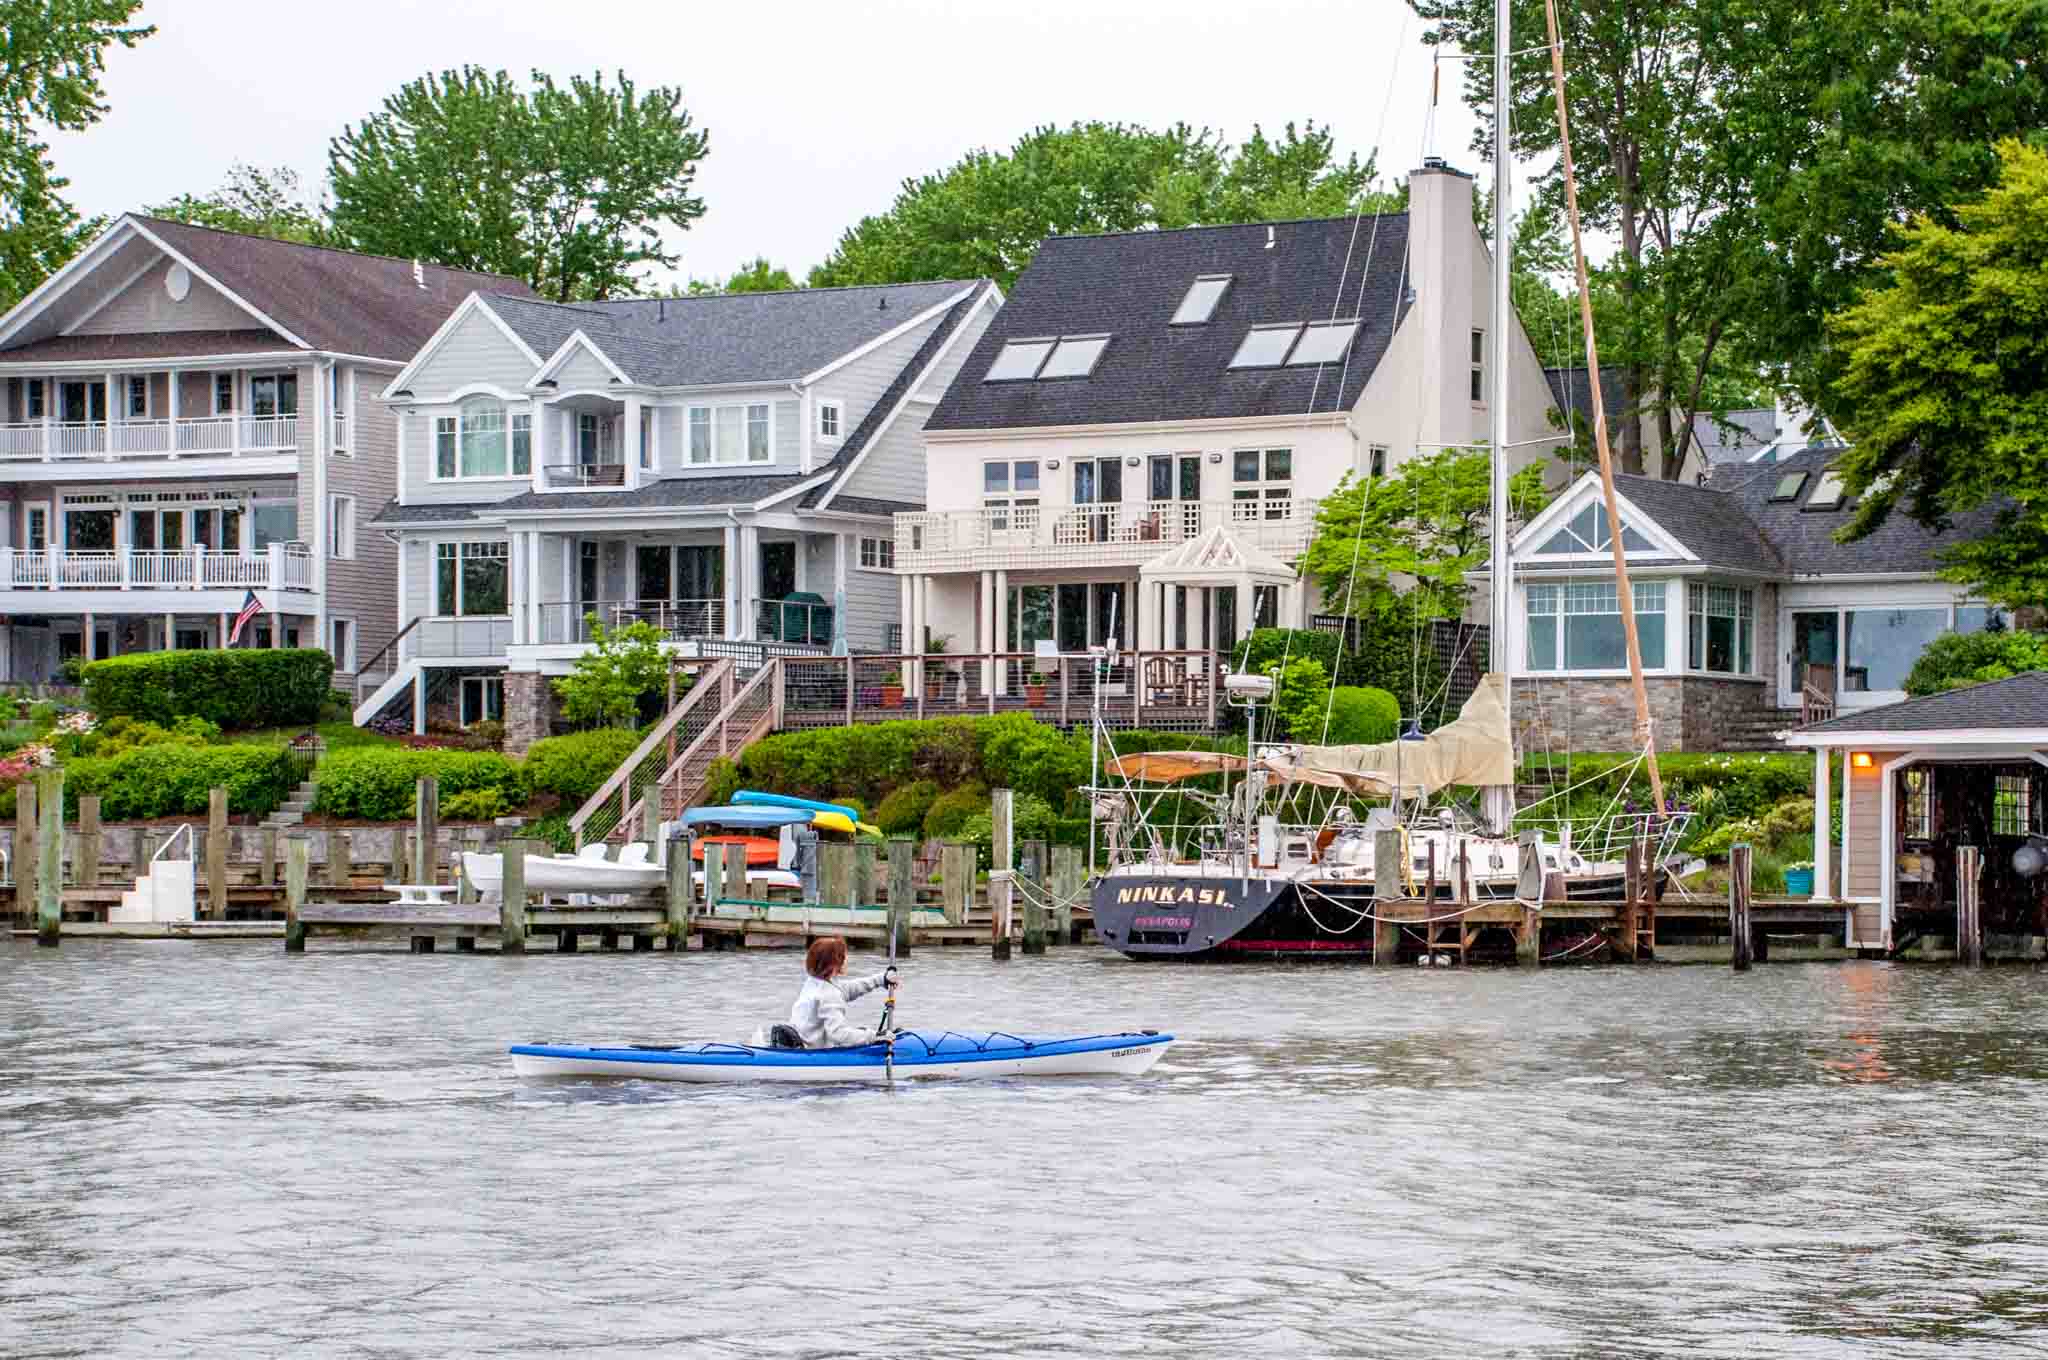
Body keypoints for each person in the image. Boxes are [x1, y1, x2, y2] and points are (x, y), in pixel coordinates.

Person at [789, 937, 897, 1048]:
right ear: (834, 963)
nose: (846, 960)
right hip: (813, 1053)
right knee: (860, 1033)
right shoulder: (828, 994)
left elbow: (848, 989)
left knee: (860, 1031)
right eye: (844, 957)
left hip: (802, 1042)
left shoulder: (813, 981)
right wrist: (875, 1037)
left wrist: (880, 979)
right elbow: (838, 1034)